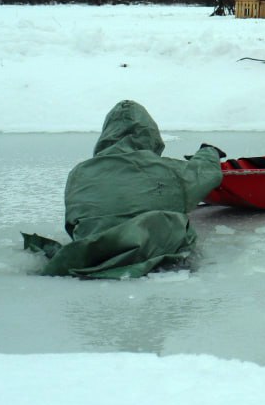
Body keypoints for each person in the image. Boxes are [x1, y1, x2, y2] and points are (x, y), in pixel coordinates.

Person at [22, 100, 223, 279]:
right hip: (152, 254)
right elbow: (205, 174)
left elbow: (72, 222)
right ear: (151, 134)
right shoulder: (167, 169)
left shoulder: (79, 172)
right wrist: (209, 151)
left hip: (91, 254)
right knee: (177, 225)